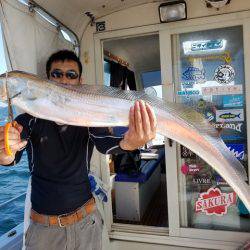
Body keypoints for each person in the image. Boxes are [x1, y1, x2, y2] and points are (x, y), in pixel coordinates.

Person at [0, 50, 157, 250]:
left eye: (71, 75)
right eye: (57, 74)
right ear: (48, 79)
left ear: (80, 81)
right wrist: (6, 149)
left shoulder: (88, 117)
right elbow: (9, 158)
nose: (63, 79)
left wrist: (130, 142)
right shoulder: (28, 119)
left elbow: (104, 143)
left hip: (86, 223)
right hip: (44, 231)